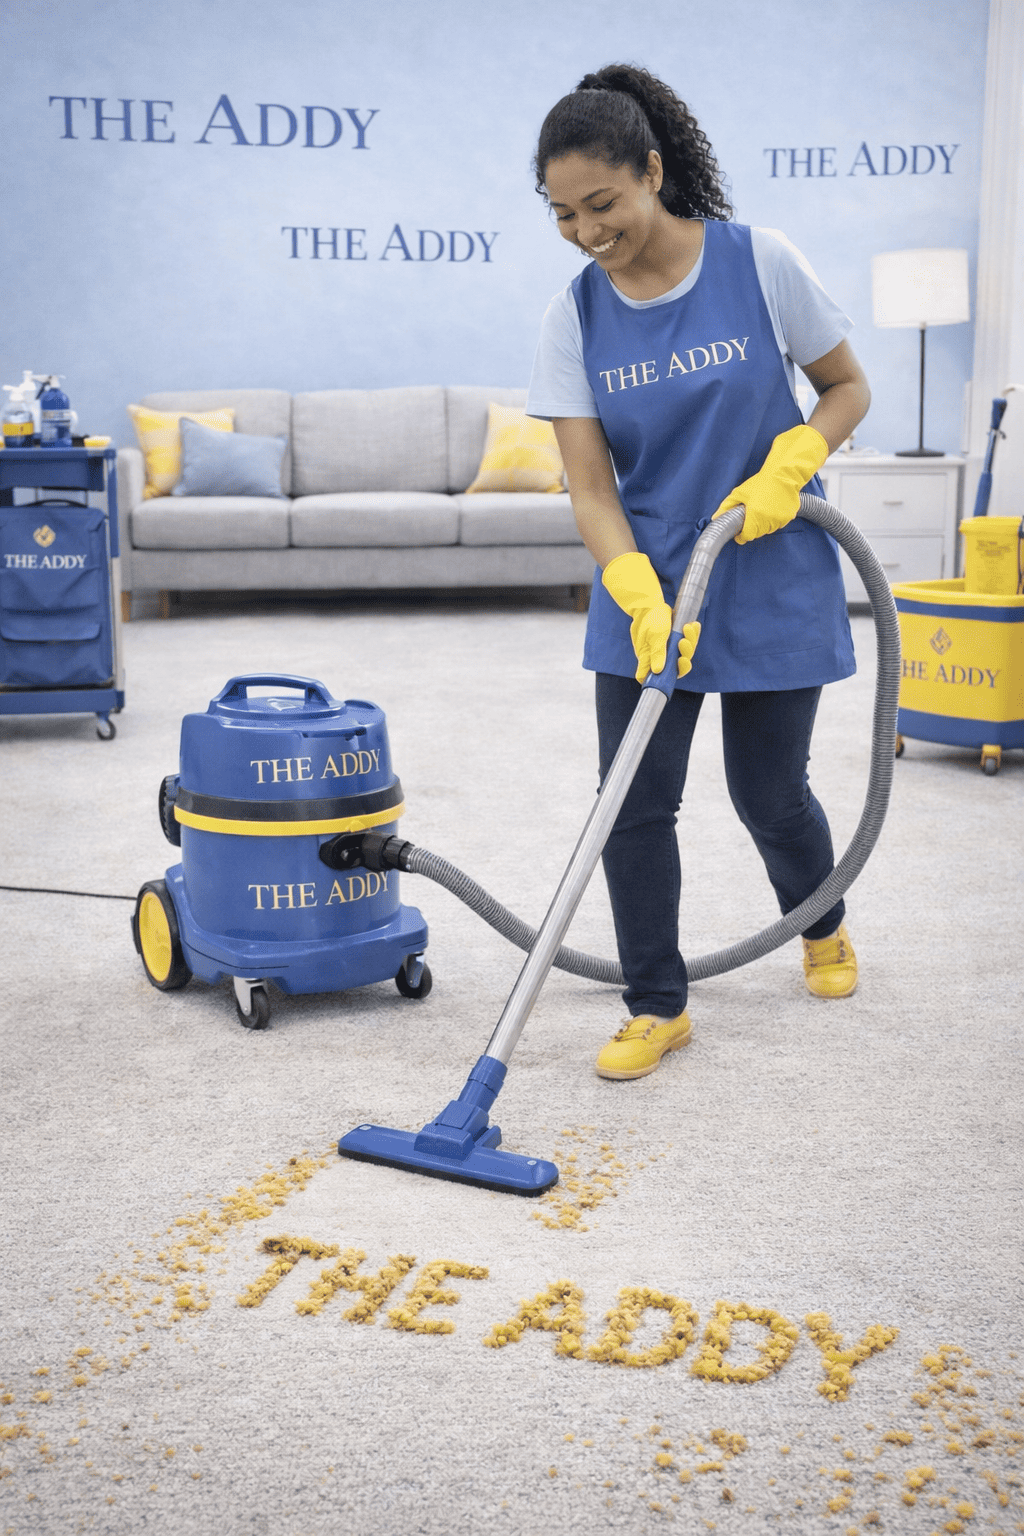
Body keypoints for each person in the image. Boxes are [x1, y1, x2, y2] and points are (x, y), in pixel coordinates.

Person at [526, 64, 871, 1081]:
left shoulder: (759, 261)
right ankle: (655, 1005)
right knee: (631, 802)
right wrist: (634, 592)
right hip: (646, 577)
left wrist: (793, 463)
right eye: (563, 214)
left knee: (770, 793)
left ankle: (819, 922)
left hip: (767, 557)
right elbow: (591, 488)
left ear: (651, 172)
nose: (587, 232)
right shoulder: (572, 317)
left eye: (602, 204)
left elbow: (845, 388)